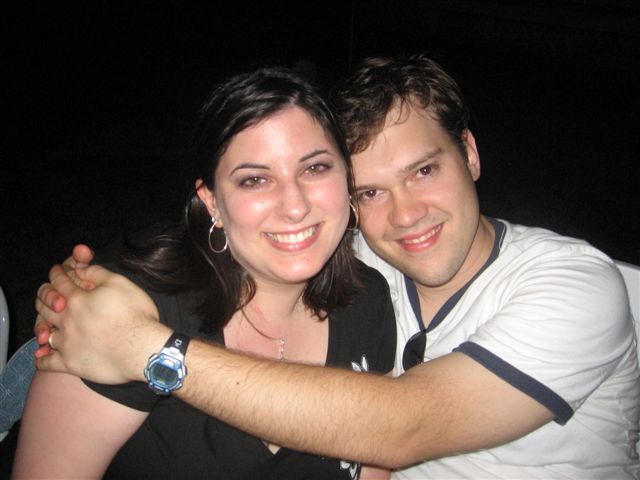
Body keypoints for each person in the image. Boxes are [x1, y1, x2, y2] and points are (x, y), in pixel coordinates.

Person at [26, 54, 639, 478]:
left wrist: (145, 350)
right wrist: (80, 300)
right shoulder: (354, 265)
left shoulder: (574, 286)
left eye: (425, 170)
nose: (406, 215)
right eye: (370, 191)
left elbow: (403, 429)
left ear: (470, 154)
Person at [13, 67, 396, 479]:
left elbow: (377, 455)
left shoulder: (368, 301)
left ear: (346, 177)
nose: (295, 206)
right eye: (255, 180)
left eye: (315, 168)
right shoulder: (121, 312)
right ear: (212, 201)